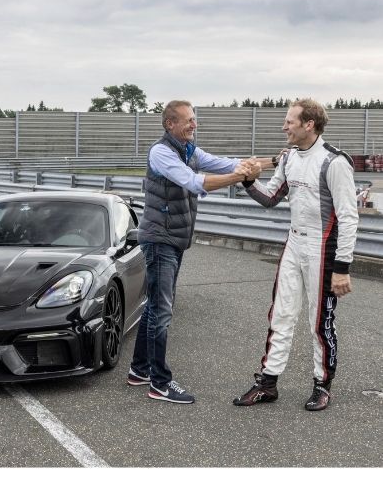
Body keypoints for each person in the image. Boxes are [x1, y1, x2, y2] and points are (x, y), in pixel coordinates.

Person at [127, 100, 277, 404]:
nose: (194, 125)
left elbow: (227, 163)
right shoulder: (161, 152)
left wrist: (272, 160)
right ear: (170, 124)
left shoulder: (189, 151)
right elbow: (194, 183)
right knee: (162, 310)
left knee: (155, 306)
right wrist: (241, 177)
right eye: (188, 121)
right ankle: (159, 383)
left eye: (194, 119)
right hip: (160, 240)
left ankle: (139, 370)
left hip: (172, 239)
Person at [233, 98, 358, 411]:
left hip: (323, 249)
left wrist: (342, 267)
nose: (284, 127)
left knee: (320, 321)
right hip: (294, 243)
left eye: (289, 122)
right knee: (281, 314)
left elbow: (348, 217)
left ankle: (322, 385)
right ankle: (268, 383)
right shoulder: (288, 157)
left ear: (309, 124)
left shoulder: (335, 161)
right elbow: (271, 197)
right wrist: (249, 180)